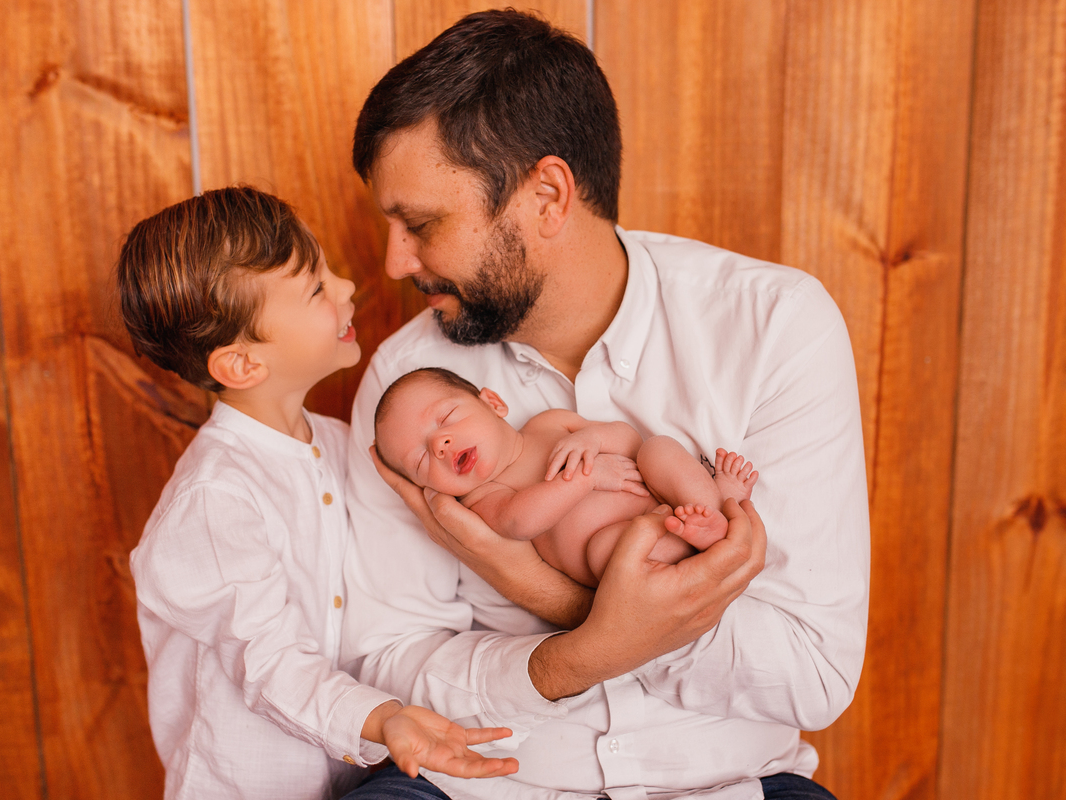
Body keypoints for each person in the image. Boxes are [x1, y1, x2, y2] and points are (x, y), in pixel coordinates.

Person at [342, 9, 869, 800]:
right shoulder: (406, 385)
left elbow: (813, 676)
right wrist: (572, 662)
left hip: (725, 782)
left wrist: (547, 595)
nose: (392, 263)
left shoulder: (773, 325)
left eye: (421, 224)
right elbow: (382, 656)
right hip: (483, 785)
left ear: (547, 196)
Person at [117, 186, 518, 800]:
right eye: (314, 287)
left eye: (328, 269)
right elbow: (267, 661)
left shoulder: (337, 444)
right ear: (243, 365)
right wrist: (382, 718)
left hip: (344, 777)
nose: (347, 286)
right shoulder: (216, 499)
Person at [374, 366, 760, 587]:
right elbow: (519, 521)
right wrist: (585, 480)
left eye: (446, 419)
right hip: (625, 550)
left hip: (657, 496)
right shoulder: (484, 498)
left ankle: (715, 507)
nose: (440, 444)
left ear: (493, 403)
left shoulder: (548, 423)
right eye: (422, 459)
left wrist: (594, 438)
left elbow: (626, 439)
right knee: (605, 551)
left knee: (655, 448)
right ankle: (692, 540)